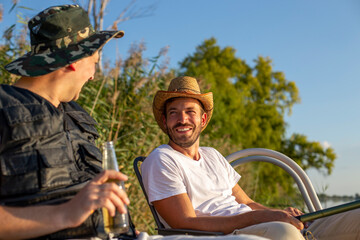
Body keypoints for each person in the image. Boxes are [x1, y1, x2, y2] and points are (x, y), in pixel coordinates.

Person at [141, 76, 360, 240]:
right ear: (165, 120)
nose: (182, 119)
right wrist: (265, 219)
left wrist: (278, 213)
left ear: (203, 119)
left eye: (190, 111)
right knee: (285, 232)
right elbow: (185, 222)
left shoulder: (213, 156)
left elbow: (246, 203)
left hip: (257, 227)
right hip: (226, 235)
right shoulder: (162, 159)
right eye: (174, 113)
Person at [0, 5, 133, 239]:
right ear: (75, 59)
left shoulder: (76, 116)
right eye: (94, 61)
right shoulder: (3, 106)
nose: (93, 76)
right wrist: (66, 214)